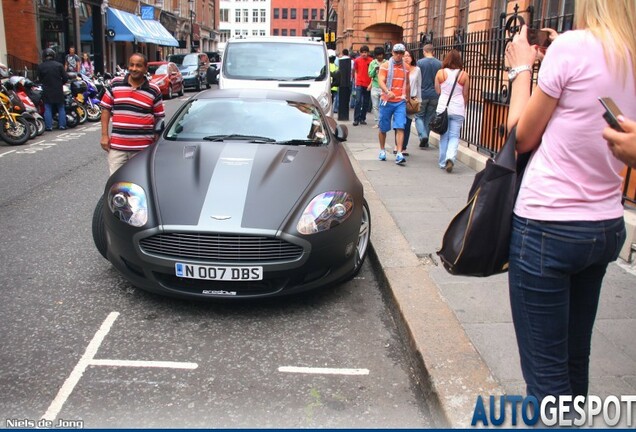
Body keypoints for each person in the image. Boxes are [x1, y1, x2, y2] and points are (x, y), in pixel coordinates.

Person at [505, 0, 635, 408]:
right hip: (605, 225)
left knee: (546, 380)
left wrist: (521, 70)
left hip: (548, 225)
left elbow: (520, 137)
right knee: (575, 360)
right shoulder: (627, 52)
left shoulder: (574, 47)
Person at [100, 53, 165, 175]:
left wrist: (156, 143)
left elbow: (159, 117)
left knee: (140, 182)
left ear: (145, 68)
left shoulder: (153, 90)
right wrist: (104, 135)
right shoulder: (115, 84)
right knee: (116, 182)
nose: (134, 69)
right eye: (131, 65)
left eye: (138, 66)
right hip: (118, 148)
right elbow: (105, 109)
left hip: (142, 149)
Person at [434, 49, 469, 173]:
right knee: (454, 136)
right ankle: (451, 157)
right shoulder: (464, 74)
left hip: (443, 107)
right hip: (458, 108)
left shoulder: (440, 73)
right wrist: (463, 106)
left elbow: (438, 91)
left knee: (444, 135)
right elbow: (465, 94)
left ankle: (443, 162)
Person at [377, 43, 410, 166]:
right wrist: (387, 91)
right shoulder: (385, 66)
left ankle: (399, 152)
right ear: (392, 53)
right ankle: (382, 150)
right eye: (396, 52)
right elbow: (380, 80)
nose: (399, 55)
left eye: (401, 53)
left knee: (400, 126)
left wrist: (407, 96)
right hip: (386, 101)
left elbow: (407, 83)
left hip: (400, 101)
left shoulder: (406, 67)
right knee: (383, 128)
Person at [393, 50, 421, 156]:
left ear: (412, 58)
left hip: (411, 99)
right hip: (398, 99)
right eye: (404, 56)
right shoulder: (398, 68)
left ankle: (403, 147)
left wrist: (419, 100)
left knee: (408, 124)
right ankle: (397, 145)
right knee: (399, 123)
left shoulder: (417, 69)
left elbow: (419, 85)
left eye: (409, 56)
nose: (406, 58)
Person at [415, 44, 442, 148]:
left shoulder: (420, 63)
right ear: (433, 52)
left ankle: (423, 136)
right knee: (429, 117)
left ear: (424, 51)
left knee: (419, 116)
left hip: (422, 93)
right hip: (435, 94)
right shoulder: (439, 63)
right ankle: (425, 138)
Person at [37, 48, 67, 131]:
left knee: (47, 108)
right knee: (61, 107)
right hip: (58, 89)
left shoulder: (41, 66)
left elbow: (39, 79)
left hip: (47, 89)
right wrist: (61, 83)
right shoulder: (59, 65)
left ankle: (48, 126)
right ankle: (62, 125)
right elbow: (65, 78)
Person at [352, 46, 373, 126]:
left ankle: (362, 118)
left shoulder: (371, 61)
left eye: (365, 52)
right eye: (362, 52)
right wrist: (356, 82)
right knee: (358, 101)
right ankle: (356, 119)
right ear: (360, 53)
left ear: (368, 52)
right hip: (359, 83)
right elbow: (356, 72)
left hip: (367, 84)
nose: (364, 54)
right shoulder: (357, 60)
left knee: (366, 102)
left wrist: (371, 84)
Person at [368, 46, 386, 129]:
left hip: (384, 87)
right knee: (375, 106)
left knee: (383, 105)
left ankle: (382, 121)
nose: (380, 56)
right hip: (375, 86)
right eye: (378, 55)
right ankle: (377, 122)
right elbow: (370, 75)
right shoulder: (372, 63)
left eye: (381, 55)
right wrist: (375, 70)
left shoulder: (387, 63)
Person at [336, 49, 352, 121]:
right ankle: (344, 115)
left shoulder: (339, 60)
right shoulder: (351, 61)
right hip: (347, 82)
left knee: (340, 98)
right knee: (346, 98)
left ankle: (341, 115)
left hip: (341, 82)